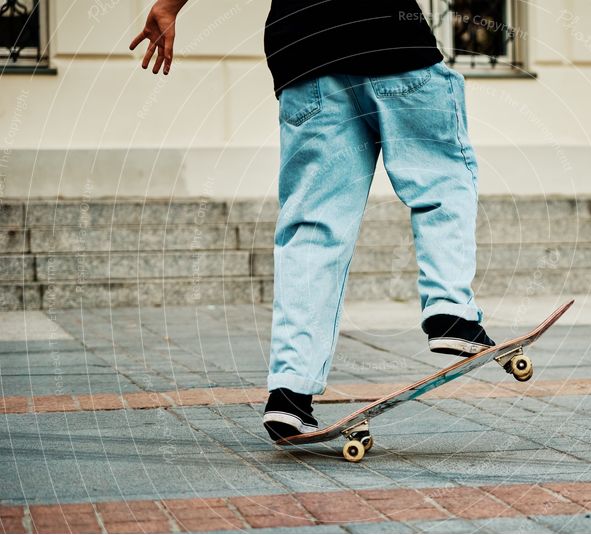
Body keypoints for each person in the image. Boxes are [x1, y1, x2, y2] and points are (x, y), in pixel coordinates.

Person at [131, 0, 494, 441]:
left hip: (302, 49)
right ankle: (450, 312)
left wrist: (169, 5)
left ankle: (290, 392)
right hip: (388, 35)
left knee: (312, 230)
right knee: (442, 179)